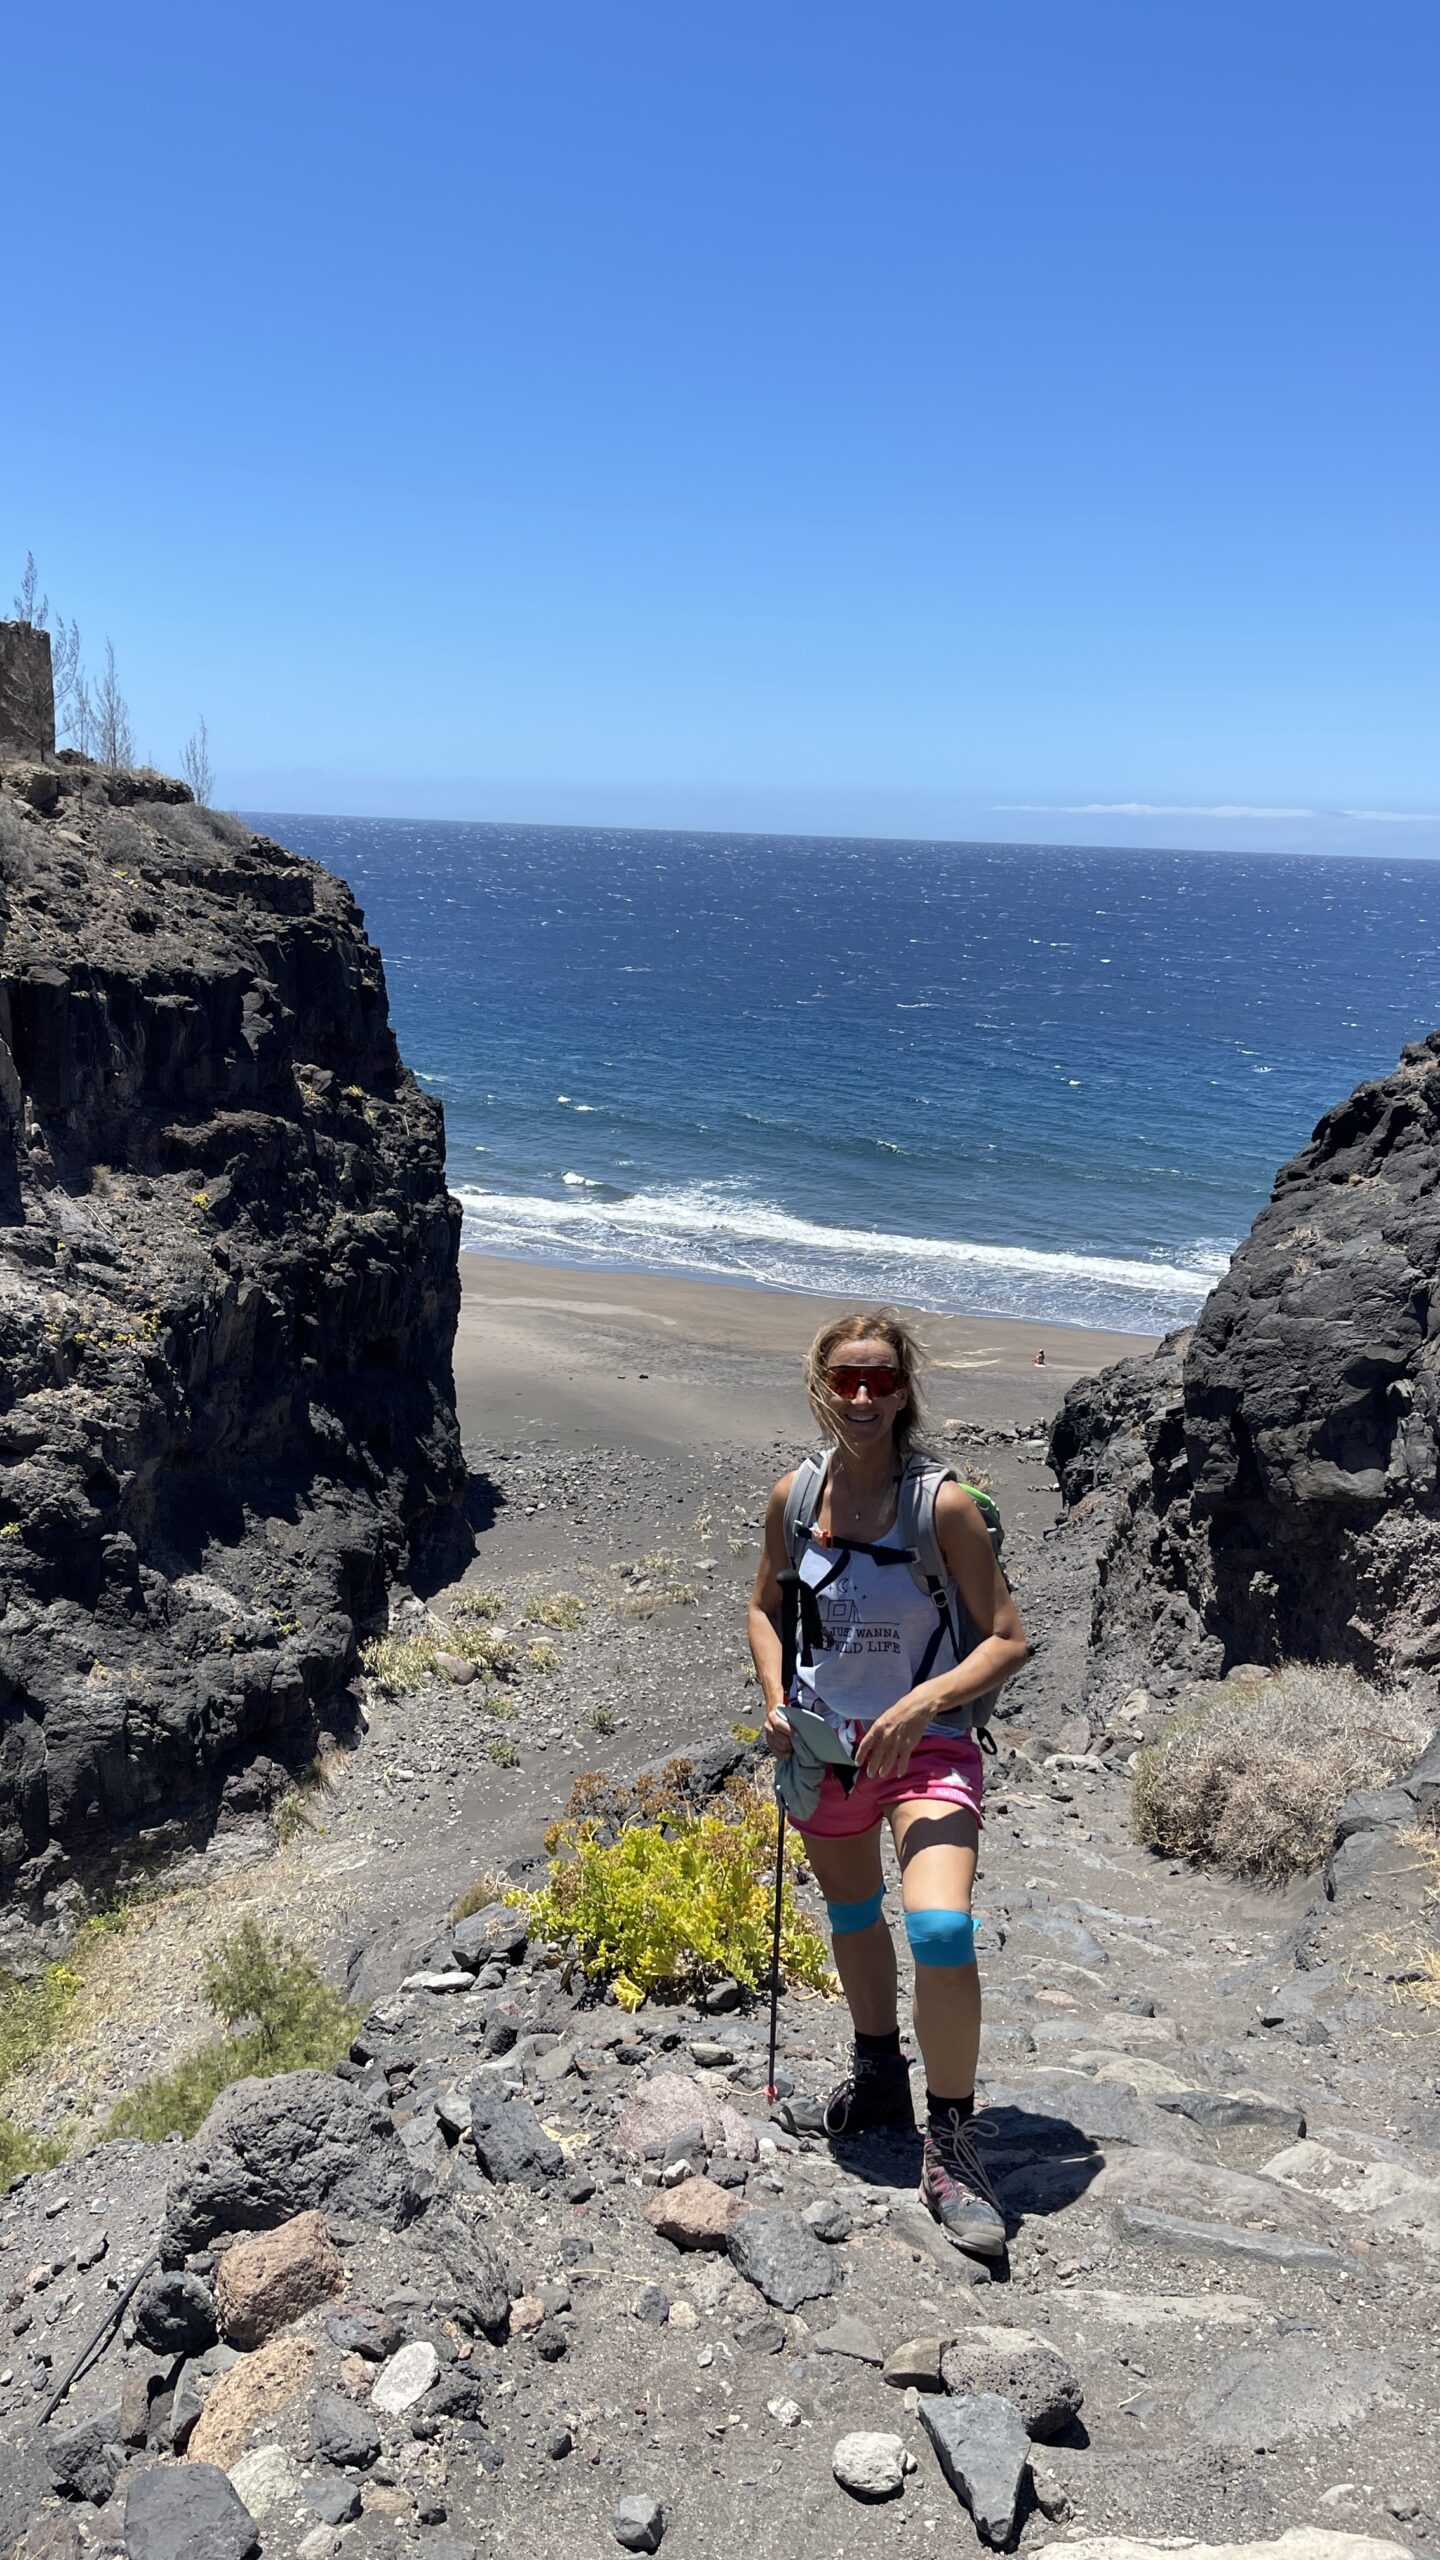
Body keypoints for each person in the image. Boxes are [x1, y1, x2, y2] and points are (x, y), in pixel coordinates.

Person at [747, 1308, 1029, 2257]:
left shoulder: (939, 1504)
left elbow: (1008, 1636)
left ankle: (953, 2139)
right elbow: (763, 1608)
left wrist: (920, 1706)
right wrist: (775, 1694)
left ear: (905, 1388)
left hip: (929, 1749)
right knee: (855, 1917)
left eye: (881, 1379)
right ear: (820, 1384)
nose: (862, 1395)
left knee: (941, 1927)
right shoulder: (796, 1496)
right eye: (846, 1379)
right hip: (826, 1751)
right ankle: (879, 2075)